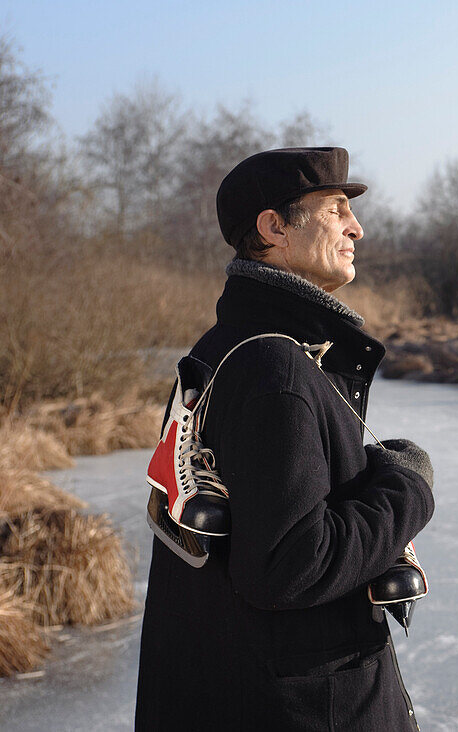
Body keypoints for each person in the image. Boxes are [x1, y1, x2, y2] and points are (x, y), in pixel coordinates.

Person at [136, 147, 435, 731]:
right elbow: (290, 566)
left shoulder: (223, 350)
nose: (358, 228)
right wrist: (409, 489)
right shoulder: (274, 368)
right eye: (337, 210)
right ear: (274, 228)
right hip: (298, 711)